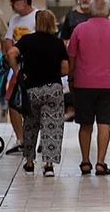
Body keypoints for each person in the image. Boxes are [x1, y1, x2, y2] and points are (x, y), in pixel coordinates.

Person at [67, 0, 110, 176]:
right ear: (108, 11)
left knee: (85, 124)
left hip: (83, 84)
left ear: (90, 10)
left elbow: (71, 56)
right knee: (104, 124)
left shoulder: (79, 30)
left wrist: (72, 76)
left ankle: (85, 161)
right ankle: (101, 162)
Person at [9, 9, 68, 177]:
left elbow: (11, 53)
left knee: (30, 125)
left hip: (32, 89)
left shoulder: (27, 40)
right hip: (53, 89)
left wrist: (18, 72)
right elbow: (65, 68)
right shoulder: (58, 43)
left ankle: (29, 162)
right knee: (52, 126)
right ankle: (48, 165)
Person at [6, 0, 37, 146]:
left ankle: (34, 138)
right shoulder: (14, 20)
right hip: (17, 66)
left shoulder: (37, 16)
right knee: (13, 100)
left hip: (34, 66)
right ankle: (20, 139)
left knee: (34, 103)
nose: (11, 4)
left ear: (24, 1)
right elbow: (8, 41)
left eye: (13, 1)